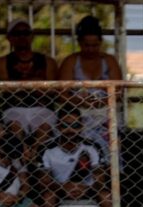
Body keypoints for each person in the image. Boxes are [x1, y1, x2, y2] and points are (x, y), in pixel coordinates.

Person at [41, 106, 112, 207]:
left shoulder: (92, 146)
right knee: (48, 198)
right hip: (58, 189)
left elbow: (100, 178)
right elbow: (43, 180)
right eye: (65, 125)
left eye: (75, 126)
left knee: (106, 197)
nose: (70, 130)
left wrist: (84, 188)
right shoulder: (47, 147)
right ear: (58, 126)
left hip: (87, 189)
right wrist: (64, 187)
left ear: (81, 127)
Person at [58, 15, 123, 158]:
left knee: (112, 131)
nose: (91, 49)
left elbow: (118, 93)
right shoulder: (71, 61)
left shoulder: (109, 61)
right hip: (78, 113)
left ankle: (110, 170)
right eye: (87, 45)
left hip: (106, 110)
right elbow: (62, 94)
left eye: (95, 45)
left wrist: (101, 103)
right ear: (80, 43)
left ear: (100, 42)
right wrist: (81, 103)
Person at [0, 19, 58, 148]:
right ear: (9, 38)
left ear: (32, 36)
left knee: (44, 128)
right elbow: (6, 88)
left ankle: (32, 153)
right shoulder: (2, 62)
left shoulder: (48, 61)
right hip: (14, 108)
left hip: (42, 108)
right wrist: (37, 83)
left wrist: (18, 85)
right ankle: (24, 154)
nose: (22, 37)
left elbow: (51, 89)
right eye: (17, 33)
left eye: (26, 33)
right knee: (15, 127)